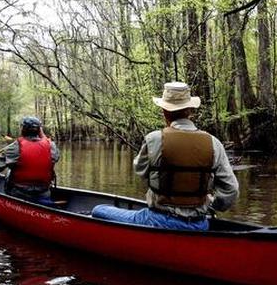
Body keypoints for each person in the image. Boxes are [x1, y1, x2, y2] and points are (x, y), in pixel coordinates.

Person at [91, 81, 237, 231]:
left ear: (165, 111)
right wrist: (212, 206)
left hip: (158, 221)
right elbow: (231, 190)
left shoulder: (154, 139)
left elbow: (140, 170)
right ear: (190, 111)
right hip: (199, 225)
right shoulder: (214, 143)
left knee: (98, 210)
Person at [0, 116, 60, 205]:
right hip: (44, 192)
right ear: (40, 130)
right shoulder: (51, 146)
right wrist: (42, 135)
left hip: (20, 193)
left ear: (23, 129)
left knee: (9, 171)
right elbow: (55, 156)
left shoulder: (15, 147)